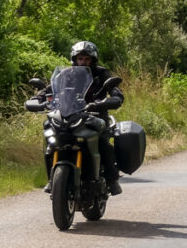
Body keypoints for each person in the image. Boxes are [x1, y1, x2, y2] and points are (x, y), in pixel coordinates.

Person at [35, 40, 124, 195]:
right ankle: (52, 180)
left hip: (95, 116)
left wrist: (112, 98)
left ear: (93, 60)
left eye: (87, 59)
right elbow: (49, 90)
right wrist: (38, 99)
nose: (83, 62)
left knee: (103, 144)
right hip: (68, 114)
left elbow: (114, 90)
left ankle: (111, 180)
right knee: (51, 140)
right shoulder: (66, 74)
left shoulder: (102, 74)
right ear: (74, 59)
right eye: (80, 59)